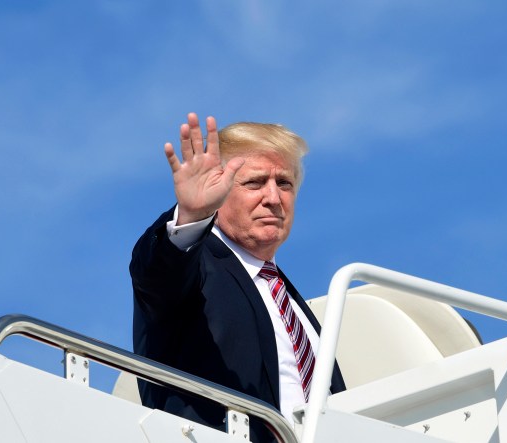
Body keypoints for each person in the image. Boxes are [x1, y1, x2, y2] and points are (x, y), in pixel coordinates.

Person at [130, 113, 346, 441]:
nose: (273, 198)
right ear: (217, 190)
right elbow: (157, 274)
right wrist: (191, 215)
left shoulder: (288, 300)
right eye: (254, 183)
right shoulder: (196, 264)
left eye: (284, 183)